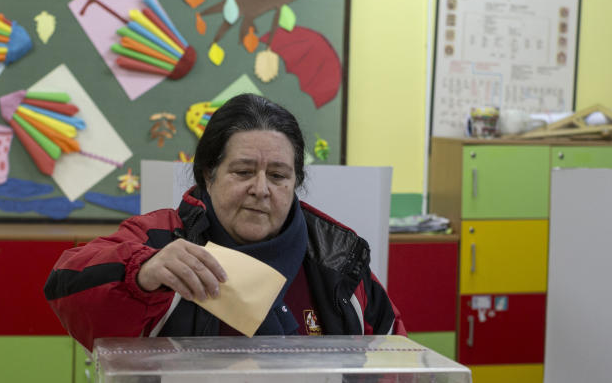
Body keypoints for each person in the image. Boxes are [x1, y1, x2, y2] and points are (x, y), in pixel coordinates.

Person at [44, 93, 406, 348]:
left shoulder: (335, 258)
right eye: (244, 171)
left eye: (278, 176)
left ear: (297, 181)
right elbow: (67, 285)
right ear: (209, 174)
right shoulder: (164, 240)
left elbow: (390, 348)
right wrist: (141, 273)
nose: (261, 189)